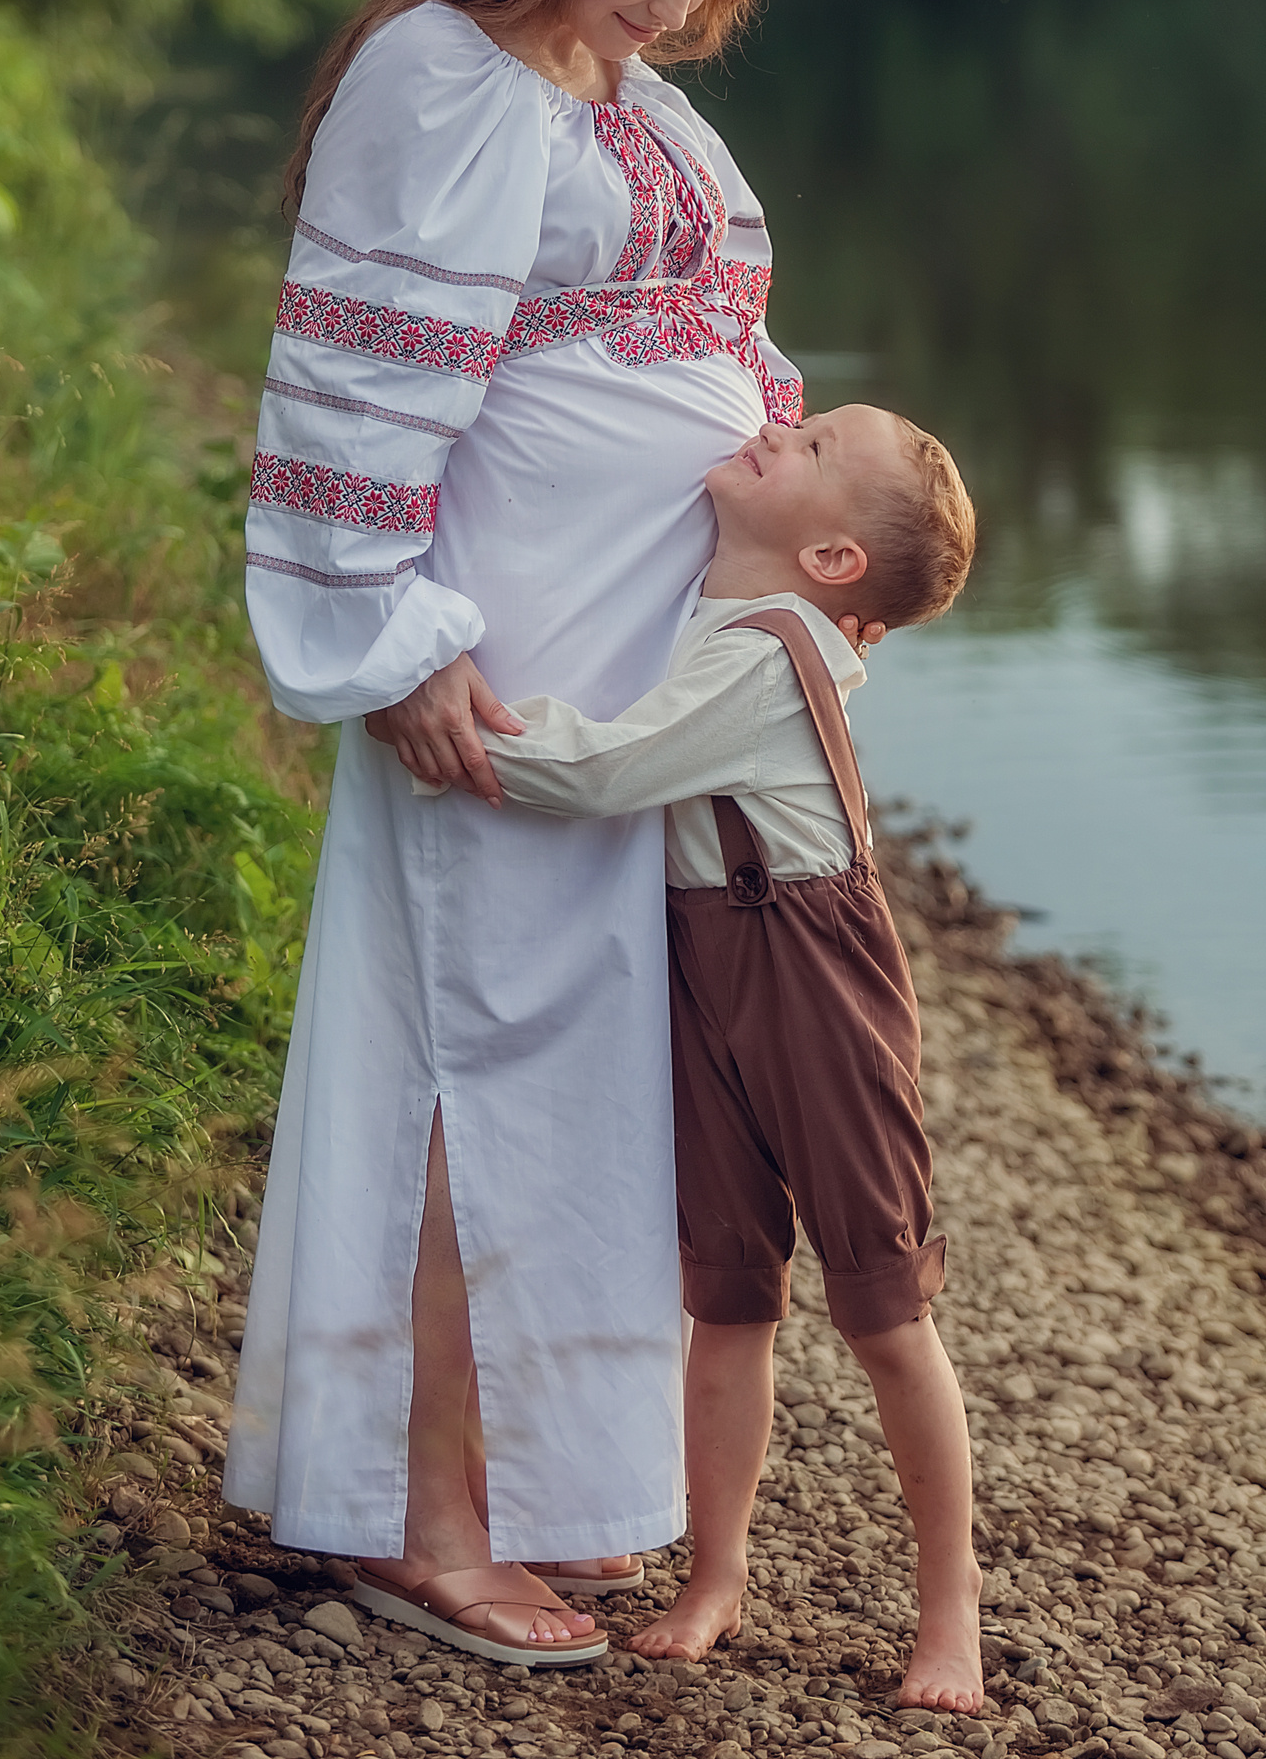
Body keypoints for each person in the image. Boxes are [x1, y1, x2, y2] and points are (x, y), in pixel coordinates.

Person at [225, 0, 873, 1669]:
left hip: (626, 680)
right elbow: (353, 379)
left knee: (575, 1076)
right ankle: (422, 1526)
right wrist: (396, 635)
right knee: (462, 1060)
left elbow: (726, 339)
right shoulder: (443, 73)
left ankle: (512, 1490)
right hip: (500, 651)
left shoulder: (628, 95)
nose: (671, 6)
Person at [408, 405, 986, 1712]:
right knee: (728, 1289)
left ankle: (951, 1612)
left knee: (884, 1307)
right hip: (707, 955)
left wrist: (443, 720)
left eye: (819, 445)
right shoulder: (724, 607)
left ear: (834, 564)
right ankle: (715, 1572)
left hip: (811, 970)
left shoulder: (771, 651)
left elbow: (606, 772)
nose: (786, 422)